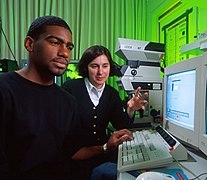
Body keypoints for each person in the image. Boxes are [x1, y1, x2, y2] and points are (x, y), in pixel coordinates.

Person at [0, 15, 133, 180]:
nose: (64, 52)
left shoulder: (66, 101)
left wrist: (106, 147)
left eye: (69, 47)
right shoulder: (5, 89)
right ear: (30, 44)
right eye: (55, 42)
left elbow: (73, 152)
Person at [61, 45, 148, 179]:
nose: (100, 72)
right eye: (94, 66)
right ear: (86, 68)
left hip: (104, 156)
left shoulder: (111, 93)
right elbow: (64, 141)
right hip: (76, 161)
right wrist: (105, 147)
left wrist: (131, 109)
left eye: (105, 66)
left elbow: (121, 124)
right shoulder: (70, 89)